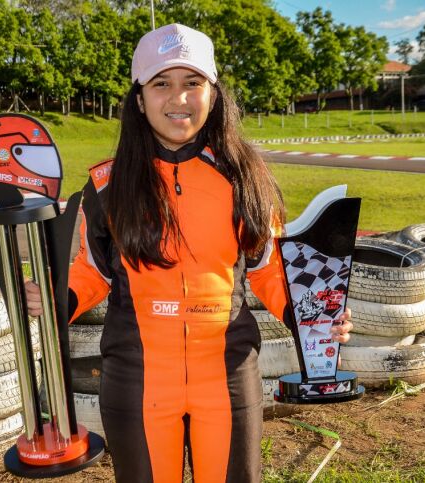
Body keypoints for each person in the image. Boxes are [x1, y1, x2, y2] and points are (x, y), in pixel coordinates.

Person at [26, 23, 353, 483]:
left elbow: (268, 271)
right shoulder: (107, 184)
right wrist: (55, 298)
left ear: (213, 94)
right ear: (139, 100)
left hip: (225, 376)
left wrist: (316, 316)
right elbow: (93, 273)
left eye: (192, 83)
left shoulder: (246, 177)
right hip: (137, 379)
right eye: (162, 84)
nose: (177, 98)